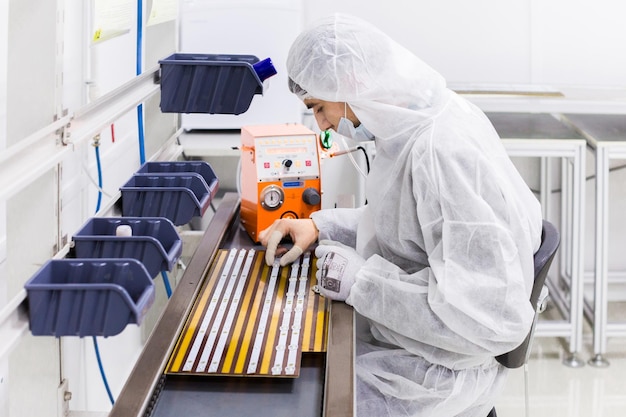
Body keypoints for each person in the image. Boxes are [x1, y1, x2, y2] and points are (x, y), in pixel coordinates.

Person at [258, 13, 543, 417]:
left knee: (302, 399)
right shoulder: (410, 126)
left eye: (319, 107)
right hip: (415, 344)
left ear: (351, 85)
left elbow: (487, 317)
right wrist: (319, 226)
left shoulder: (441, 152)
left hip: (438, 373)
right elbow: (402, 228)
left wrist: (361, 281)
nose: (321, 124)